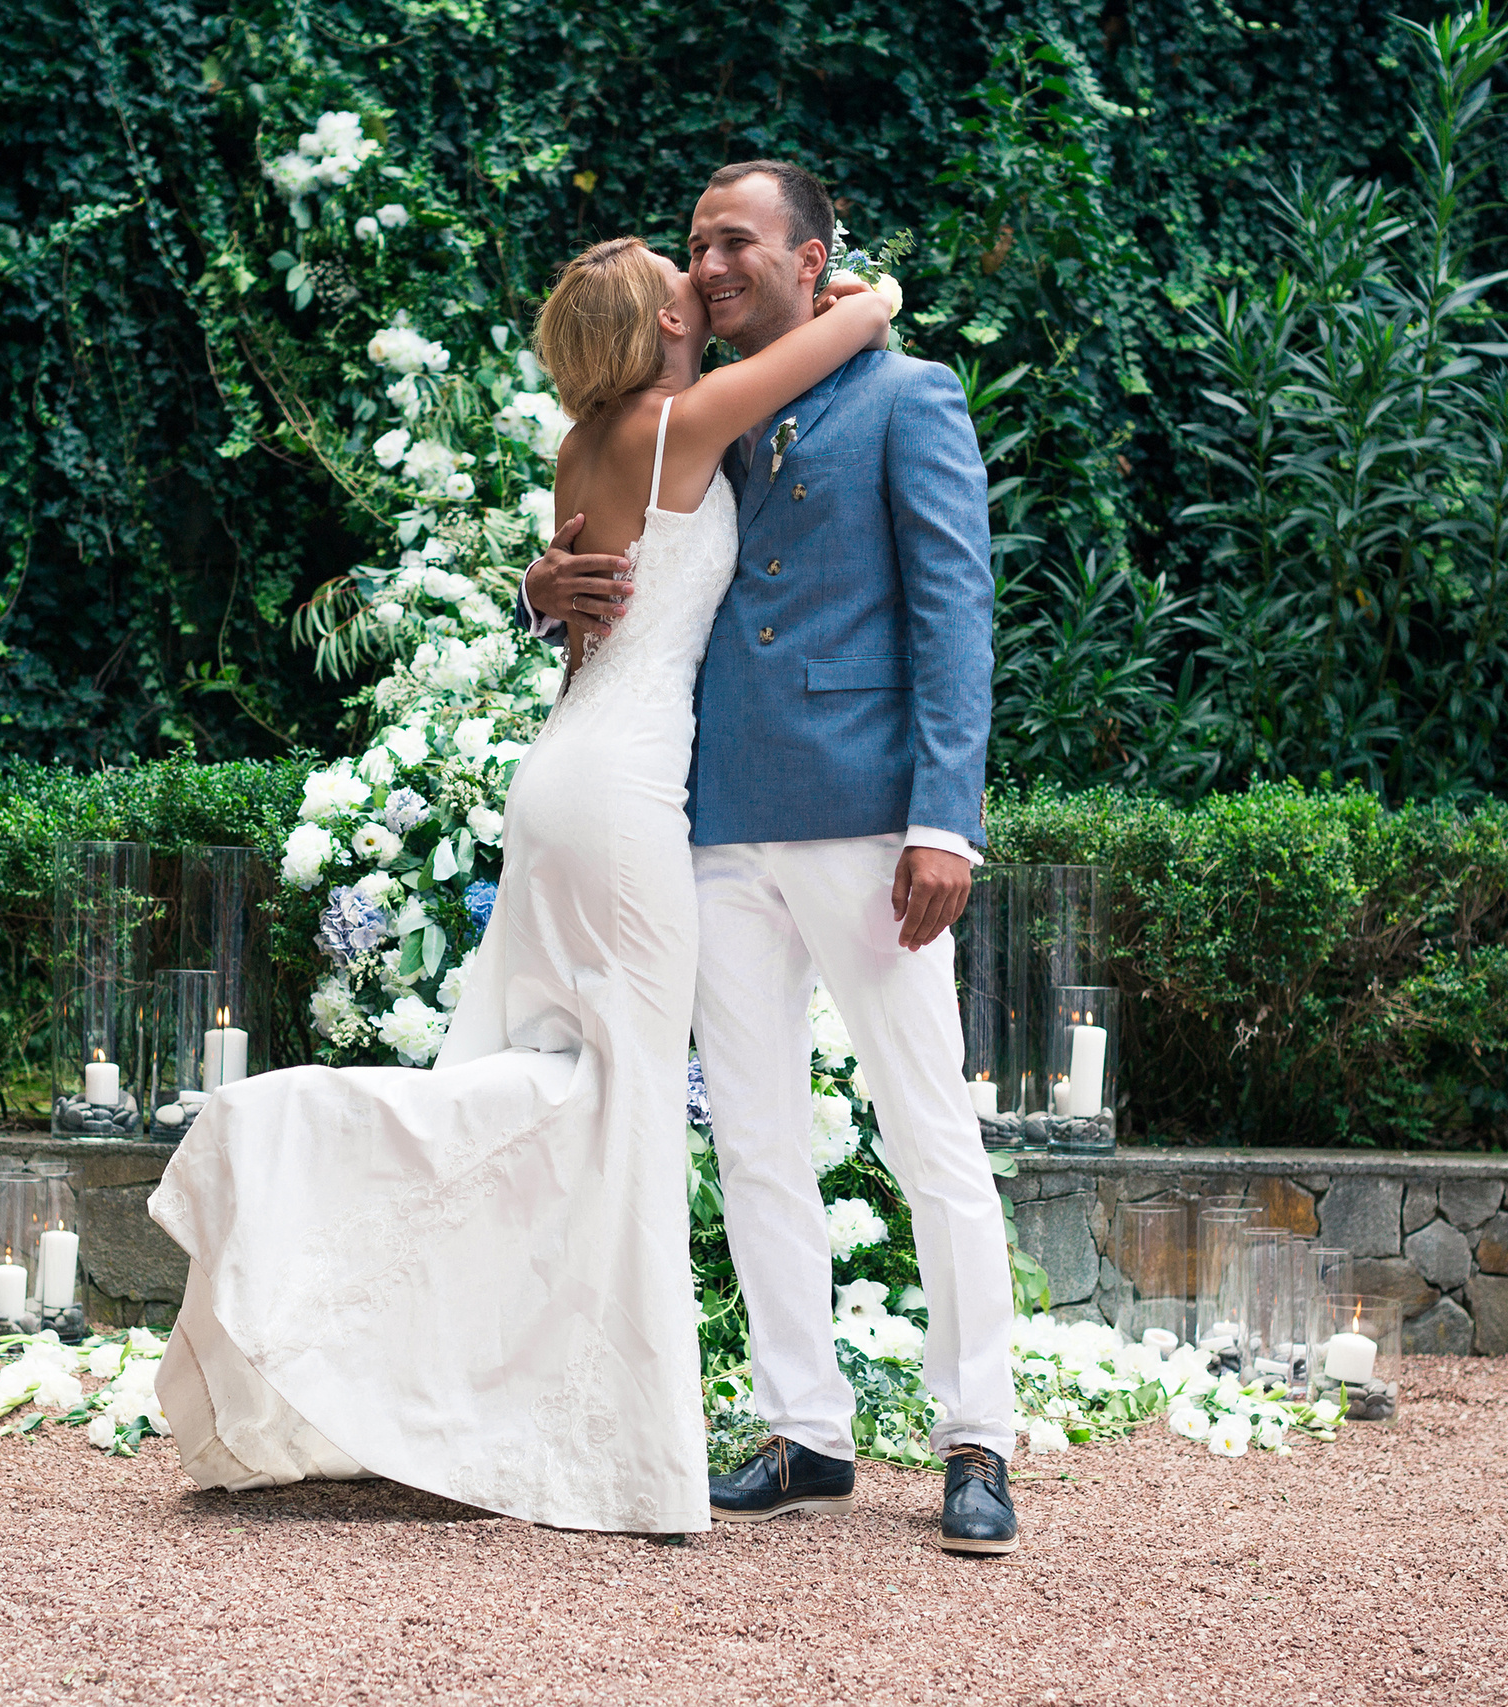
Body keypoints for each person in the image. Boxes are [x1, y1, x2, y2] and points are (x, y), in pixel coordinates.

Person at [143, 225, 894, 1534]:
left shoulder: (582, 445)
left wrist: (535, 597)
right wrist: (865, 286)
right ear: (660, 330)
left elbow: (573, 620)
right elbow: (853, 327)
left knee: (552, 1083)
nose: (704, 292)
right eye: (683, 287)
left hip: (565, 776)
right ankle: (626, 1451)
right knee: (629, 1103)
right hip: (625, 792)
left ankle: (363, 1250)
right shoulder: (681, 422)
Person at [524, 161, 1017, 1555]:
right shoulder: (688, 409)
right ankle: (807, 1431)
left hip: (871, 825)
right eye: (697, 245)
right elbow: (617, 559)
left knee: (930, 1132)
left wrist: (945, 821)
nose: (712, 262)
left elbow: (956, 619)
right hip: (715, 820)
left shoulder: (906, 396)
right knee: (751, 1136)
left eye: (736, 240)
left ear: (815, 257)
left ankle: (977, 1434)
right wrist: (536, 587)